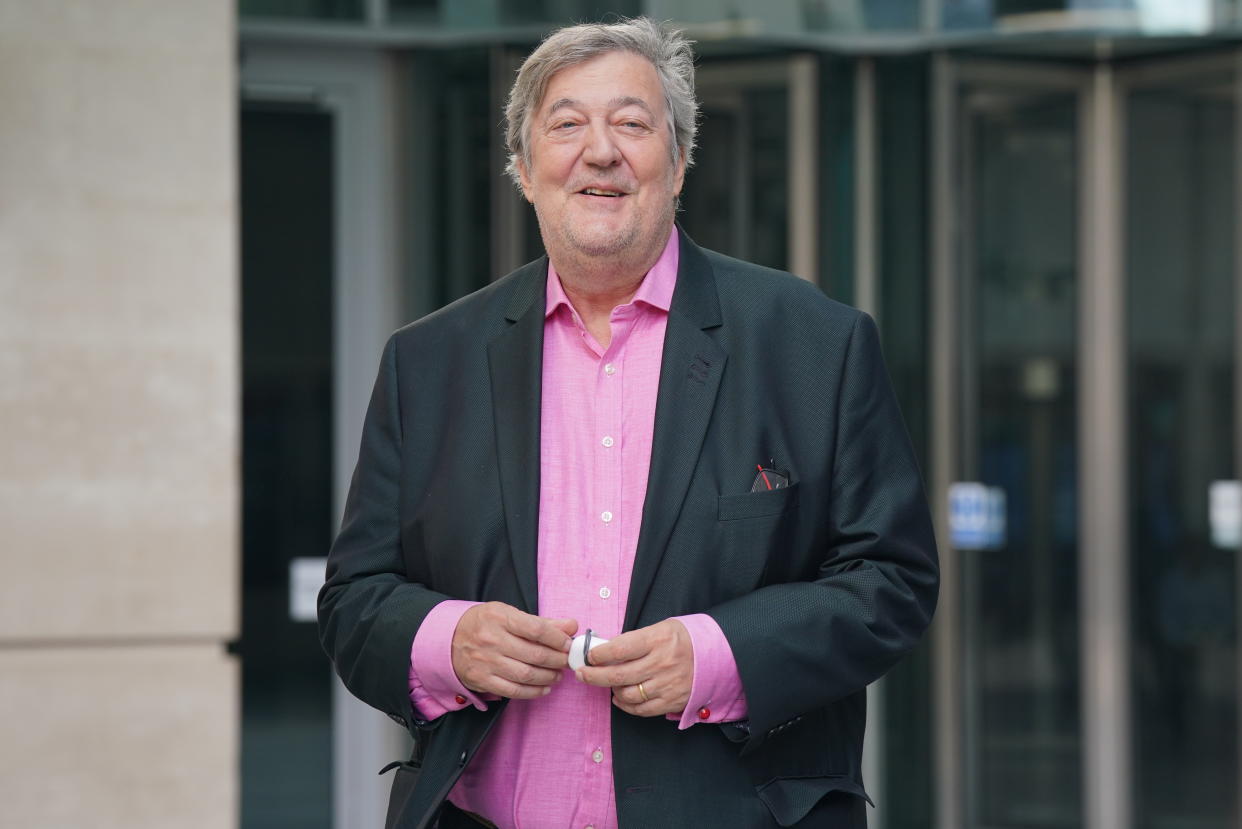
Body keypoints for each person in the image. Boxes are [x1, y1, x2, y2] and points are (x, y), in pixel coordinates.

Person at [318, 17, 938, 829]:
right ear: (525, 167)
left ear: (677, 163)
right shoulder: (426, 362)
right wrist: (449, 640)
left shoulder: (815, 342)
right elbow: (356, 599)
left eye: (632, 124)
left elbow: (891, 581)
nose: (600, 150)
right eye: (567, 123)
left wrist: (721, 656)